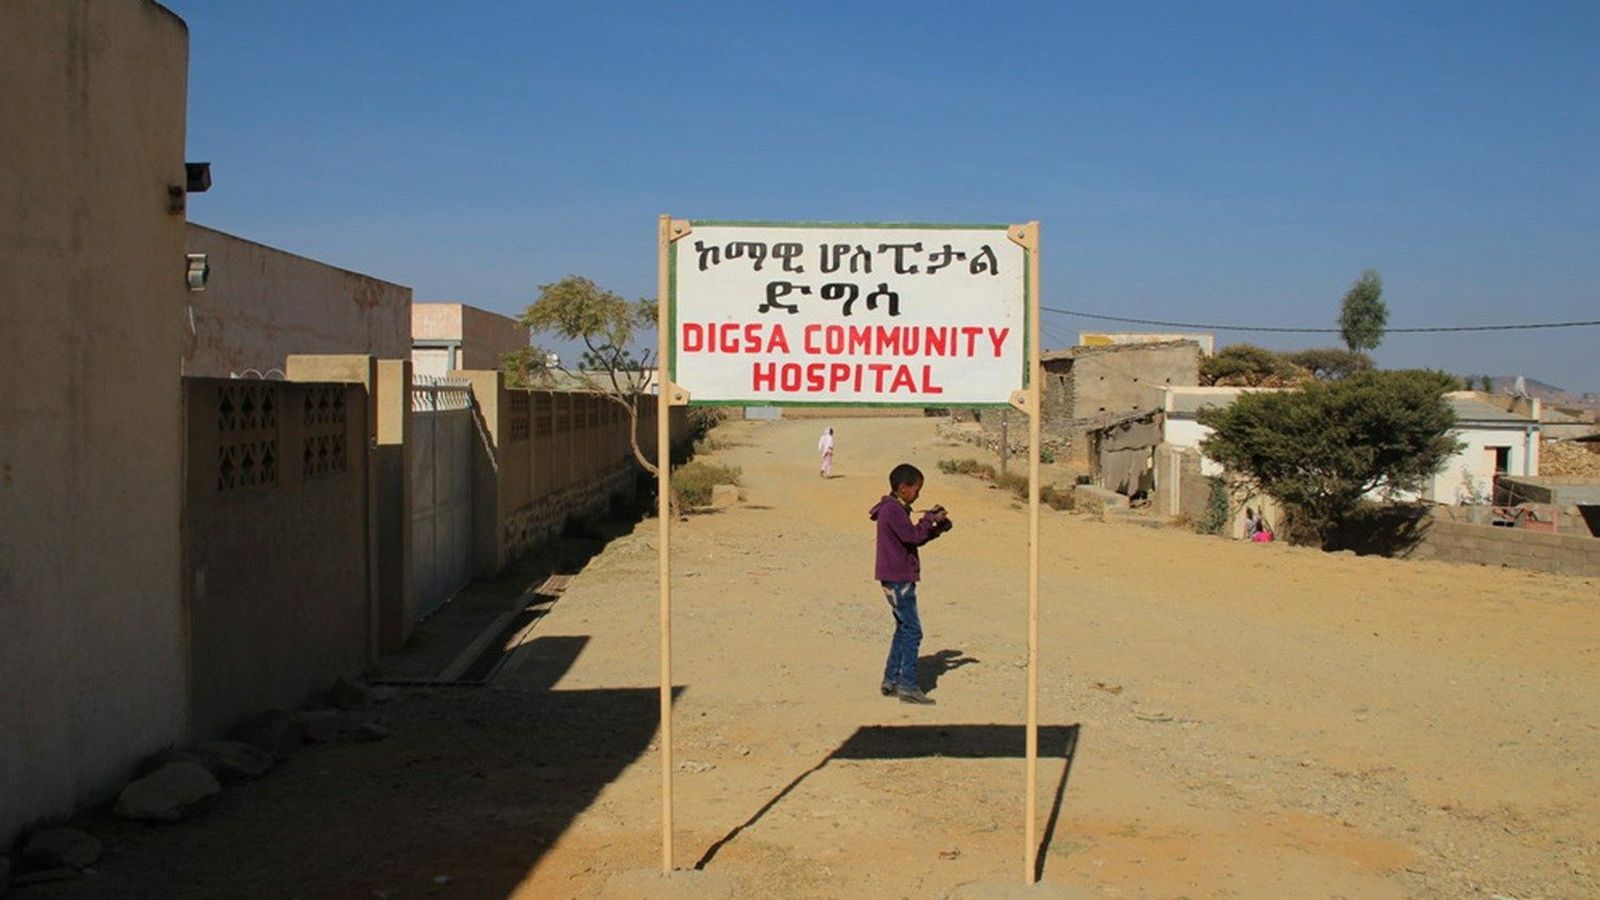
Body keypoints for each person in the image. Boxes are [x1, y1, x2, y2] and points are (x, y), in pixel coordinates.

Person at [868, 463, 953, 705]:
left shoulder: (894, 509)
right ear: (903, 488)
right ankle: (907, 685)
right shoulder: (892, 510)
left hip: (896, 577)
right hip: (898, 579)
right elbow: (912, 536)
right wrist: (928, 520)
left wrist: (936, 528)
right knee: (913, 631)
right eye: (917, 489)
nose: (918, 495)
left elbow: (913, 538)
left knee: (903, 628)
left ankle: (891, 679)